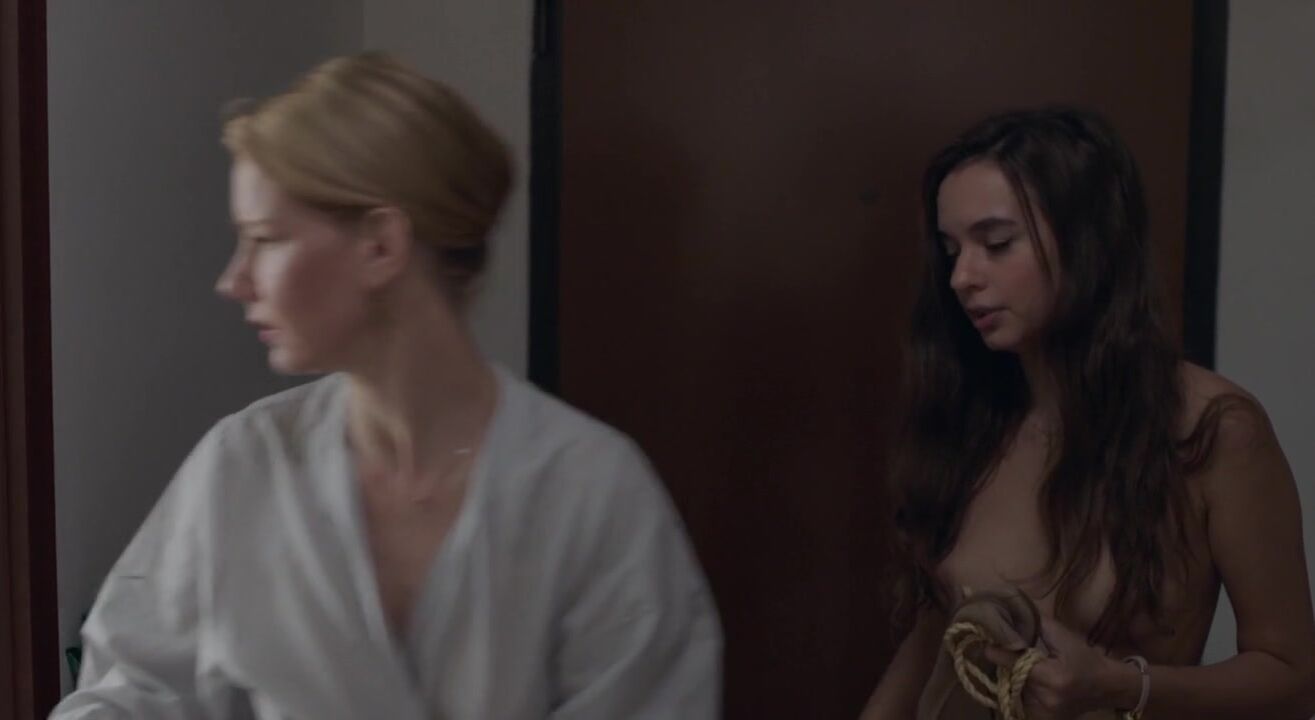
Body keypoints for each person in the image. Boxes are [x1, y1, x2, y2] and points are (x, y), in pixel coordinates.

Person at [51, 52, 721, 719]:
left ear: (380, 245)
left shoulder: (592, 492)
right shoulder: (244, 465)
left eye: (266, 239)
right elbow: (129, 692)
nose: (235, 281)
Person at [860, 107, 1315, 719]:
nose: (963, 277)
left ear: (1086, 243)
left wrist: (1121, 686)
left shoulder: (1213, 429)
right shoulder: (974, 421)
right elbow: (937, 633)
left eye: (996, 244)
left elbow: (1292, 678)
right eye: (951, 251)